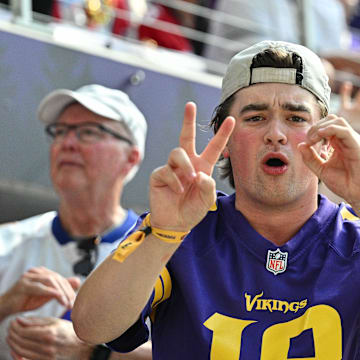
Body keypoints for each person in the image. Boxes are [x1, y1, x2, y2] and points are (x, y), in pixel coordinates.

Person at [72, 41, 360, 358]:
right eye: (255, 117)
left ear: (327, 141)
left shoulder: (353, 240)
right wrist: (164, 234)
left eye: (295, 118)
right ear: (225, 142)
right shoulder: (183, 229)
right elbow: (91, 326)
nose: (275, 134)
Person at [0, 84, 152, 359]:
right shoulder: (7, 242)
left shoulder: (160, 256)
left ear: (130, 158)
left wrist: (93, 351)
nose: (67, 143)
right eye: (60, 131)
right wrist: (4, 305)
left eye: (89, 132)